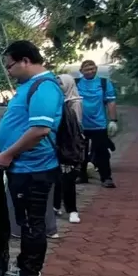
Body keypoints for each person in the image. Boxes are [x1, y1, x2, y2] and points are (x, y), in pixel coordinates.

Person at [0, 40, 63, 276]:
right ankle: (25, 270)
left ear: (25, 61)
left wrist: (9, 153)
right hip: (23, 166)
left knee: (33, 225)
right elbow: (23, 125)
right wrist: (5, 148)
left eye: (10, 65)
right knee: (27, 223)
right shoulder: (29, 86)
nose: (8, 71)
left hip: (33, 169)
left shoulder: (44, 87)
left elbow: (40, 131)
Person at [75, 60, 119, 188]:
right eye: (87, 69)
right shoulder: (76, 83)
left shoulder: (104, 83)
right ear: (81, 71)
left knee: (102, 152)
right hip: (80, 124)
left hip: (99, 124)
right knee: (80, 151)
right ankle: (81, 175)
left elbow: (111, 102)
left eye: (92, 68)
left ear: (96, 69)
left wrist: (113, 120)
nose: (90, 71)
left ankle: (106, 177)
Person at [54, 74, 84, 223]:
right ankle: (55, 205)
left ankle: (72, 210)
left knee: (68, 178)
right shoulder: (55, 101)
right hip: (55, 143)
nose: (58, 86)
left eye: (60, 83)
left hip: (68, 144)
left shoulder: (74, 103)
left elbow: (75, 128)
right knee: (55, 178)